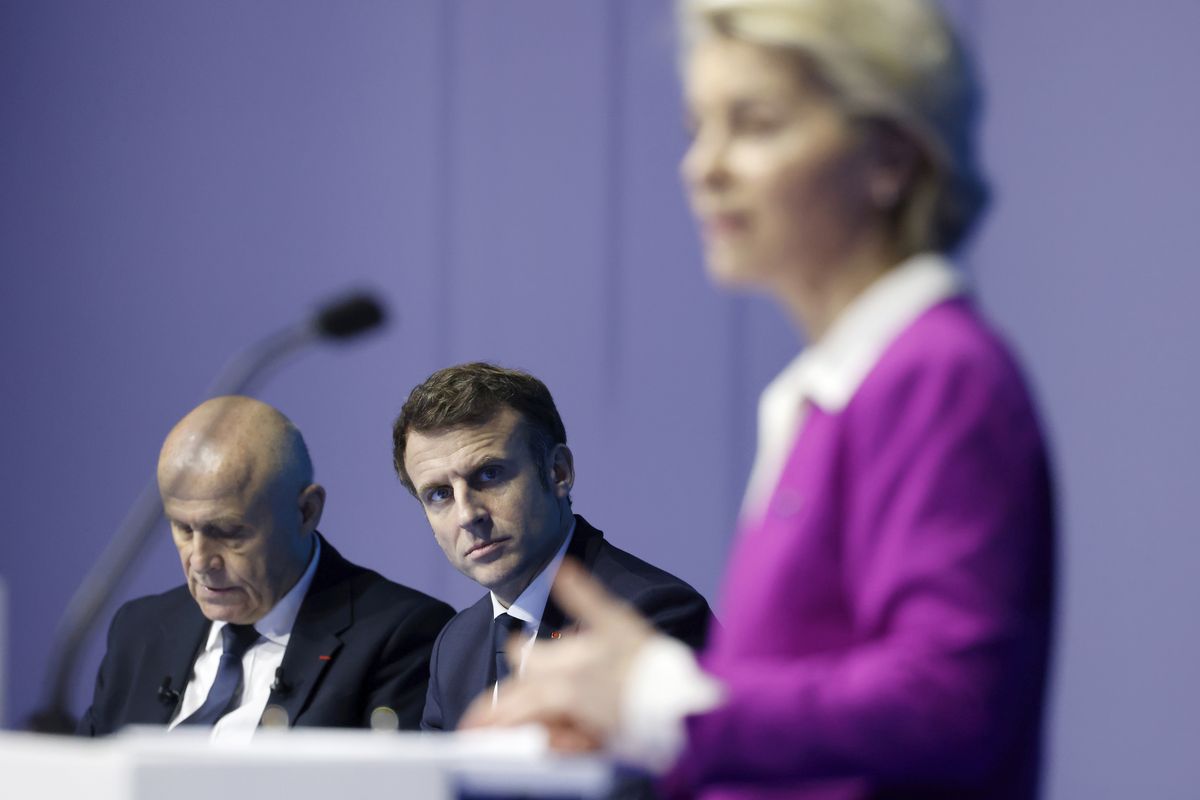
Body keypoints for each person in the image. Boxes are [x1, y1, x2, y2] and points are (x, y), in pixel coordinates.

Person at [463, 1, 1056, 798]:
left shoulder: (939, 371)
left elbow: (952, 703)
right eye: (697, 128)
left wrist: (665, 702)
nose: (701, 168)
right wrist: (630, 735)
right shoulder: (829, 395)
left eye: (756, 124)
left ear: (889, 156)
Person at [78, 395, 455, 738]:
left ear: (306, 512)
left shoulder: (401, 636)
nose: (199, 561)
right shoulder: (139, 631)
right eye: (182, 528)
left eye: (228, 531)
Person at [392, 362, 714, 732]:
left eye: (490, 474)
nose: (467, 514)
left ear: (558, 472)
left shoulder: (648, 615)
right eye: (439, 494)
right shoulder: (455, 646)